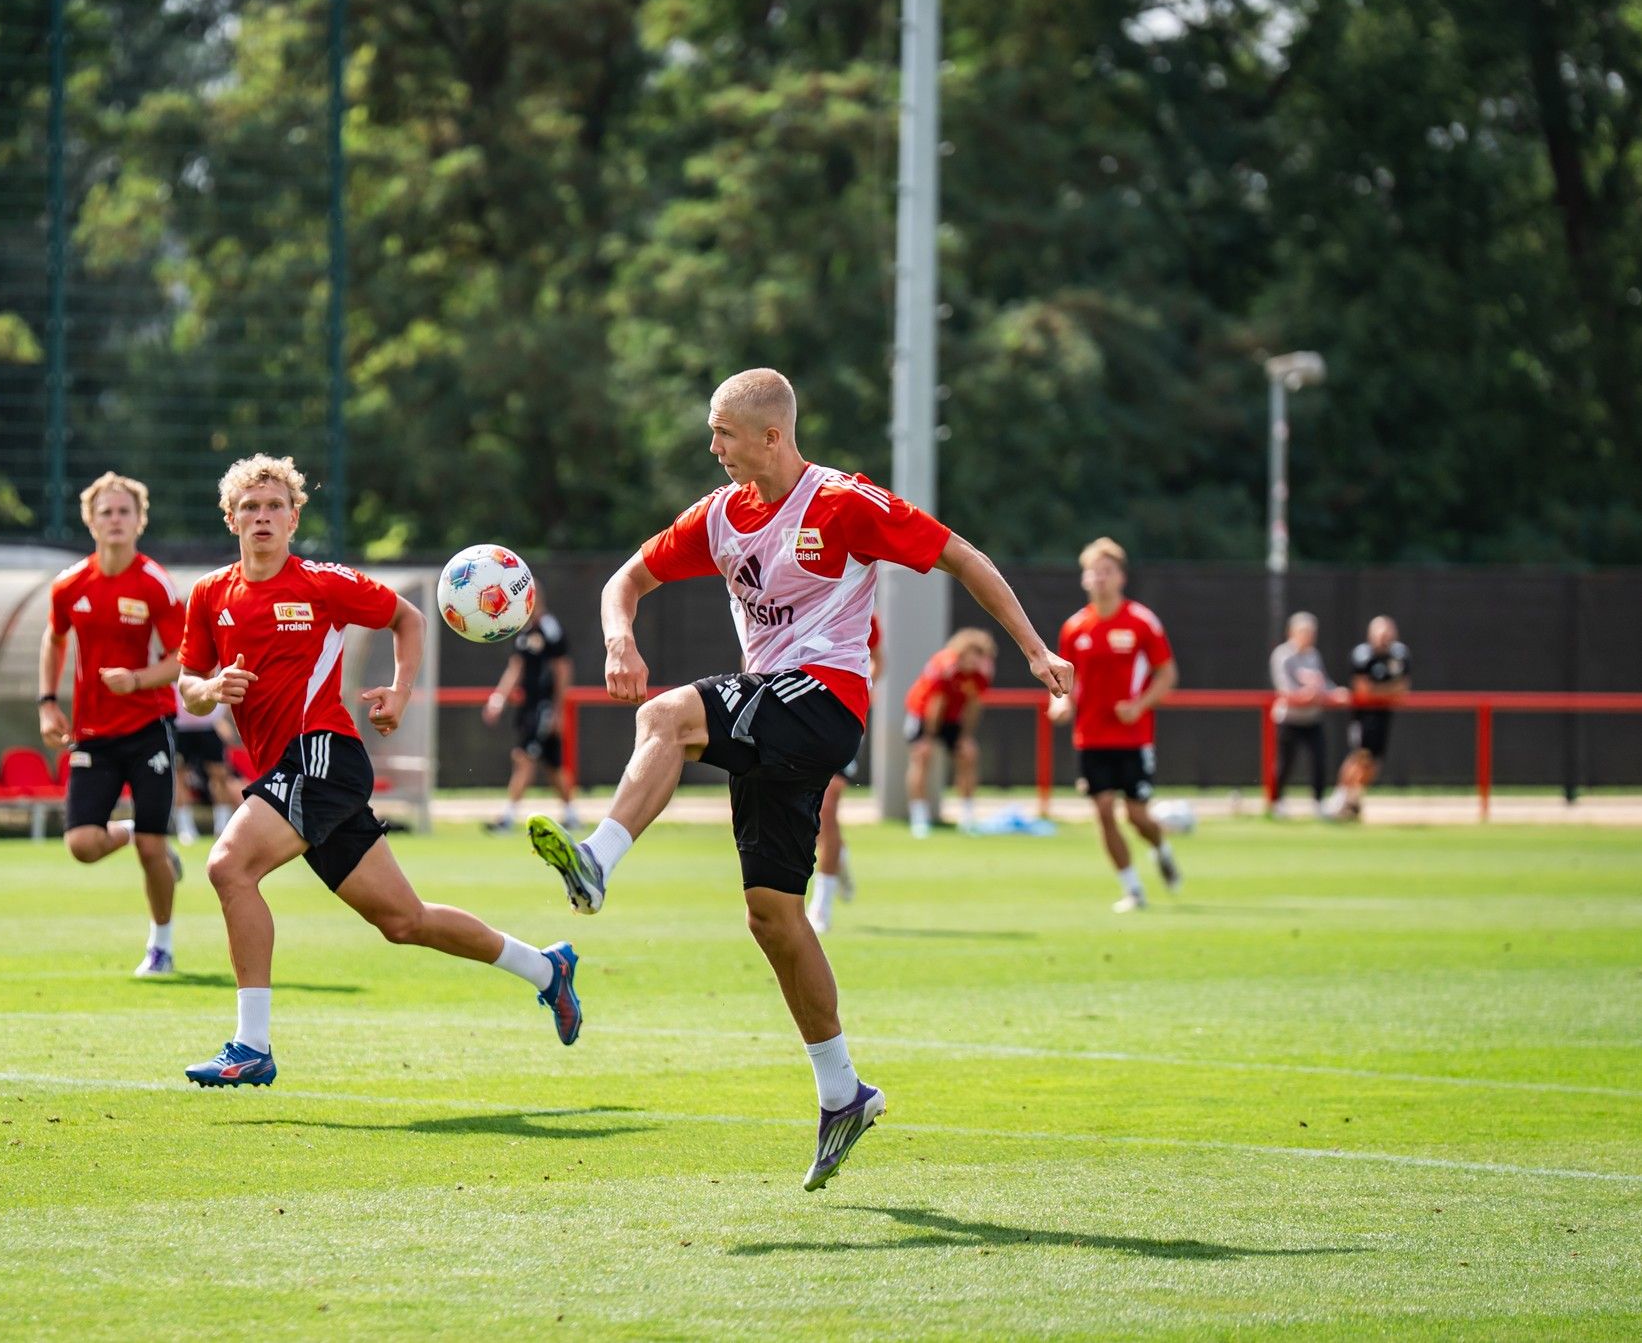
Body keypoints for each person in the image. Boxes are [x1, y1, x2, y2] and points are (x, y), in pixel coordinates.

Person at [520, 369, 1071, 1190]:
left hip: (824, 700)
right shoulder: (719, 515)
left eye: (724, 433)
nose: (712, 447)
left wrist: (1032, 647)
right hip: (775, 712)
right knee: (772, 915)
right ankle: (843, 1091)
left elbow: (960, 555)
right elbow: (623, 580)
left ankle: (597, 858)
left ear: (773, 436)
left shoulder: (843, 502)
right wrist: (616, 638)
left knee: (666, 717)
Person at [176, 454, 582, 1088]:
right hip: (295, 769)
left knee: (229, 866)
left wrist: (398, 689)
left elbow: (408, 618)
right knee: (404, 922)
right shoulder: (209, 595)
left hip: (322, 755)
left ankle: (250, 1045)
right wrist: (211, 688)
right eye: (249, 507)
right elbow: (187, 687)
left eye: (274, 506)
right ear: (230, 519)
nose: (262, 516)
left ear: (293, 516)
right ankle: (546, 968)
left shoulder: (321, 583)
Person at [38, 472, 187, 979]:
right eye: (107, 512)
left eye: (125, 511)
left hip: (149, 725)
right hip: (94, 734)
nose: (116, 519)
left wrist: (139, 679)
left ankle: (160, 946)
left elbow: (182, 657)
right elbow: (54, 639)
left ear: (140, 520)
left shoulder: (154, 583)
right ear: (91, 521)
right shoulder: (70, 585)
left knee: (151, 849)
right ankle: (134, 832)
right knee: (82, 845)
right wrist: (46, 703)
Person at [1048, 537, 1182, 913]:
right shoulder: (1075, 628)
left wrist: (1139, 705)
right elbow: (1062, 682)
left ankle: (1161, 848)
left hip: (1133, 736)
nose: (1099, 578)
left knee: (1137, 815)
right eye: (1093, 572)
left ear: (1121, 577)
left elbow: (1167, 673)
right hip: (1090, 737)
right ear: (1084, 579)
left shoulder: (1141, 621)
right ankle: (1133, 890)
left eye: (1107, 571)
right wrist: (1059, 703)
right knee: (1104, 811)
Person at [806, 616, 882, 935]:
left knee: (827, 806)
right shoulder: (780, 591)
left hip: (840, 714)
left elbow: (878, 658)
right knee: (803, 811)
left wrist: (864, 689)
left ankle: (820, 906)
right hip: (793, 712)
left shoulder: (855, 602)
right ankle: (839, 854)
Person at [481, 597, 579, 833]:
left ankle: (507, 818)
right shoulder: (522, 630)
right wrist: (498, 699)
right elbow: (516, 667)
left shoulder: (549, 628)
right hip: (529, 707)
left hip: (543, 707)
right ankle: (571, 816)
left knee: (523, 757)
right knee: (553, 766)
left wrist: (557, 710)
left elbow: (563, 669)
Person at [903, 627, 997, 837]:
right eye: (974, 655)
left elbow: (973, 705)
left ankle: (967, 817)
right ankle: (919, 819)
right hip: (923, 713)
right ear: (962, 652)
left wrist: (965, 736)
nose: (977, 661)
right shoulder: (945, 667)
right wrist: (927, 737)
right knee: (922, 757)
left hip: (952, 717)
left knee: (968, 755)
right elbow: (935, 705)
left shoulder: (981, 672)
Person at [1328, 615, 1412, 820]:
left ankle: (1354, 799)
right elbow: (1363, 690)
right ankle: (1340, 798)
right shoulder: (1363, 655)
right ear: (1371, 634)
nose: (1384, 638)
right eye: (1380, 634)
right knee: (1360, 756)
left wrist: (1380, 691)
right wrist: (1389, 691)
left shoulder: (1399, 654)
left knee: (1374, 763)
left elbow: (1404, 688)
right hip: (1364, 716)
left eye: (1388, 633)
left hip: (1384, 716)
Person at [1269, 611, 1345, 817]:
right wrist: (1310, 695)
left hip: (1312, 718)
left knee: (1319, 759)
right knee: (1285, 763)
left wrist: (1334, 692)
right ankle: (1277, 802)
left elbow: (1324, 684)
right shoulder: (1283, 655)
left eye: (1312, 632)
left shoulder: (1313, 655)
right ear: (1292, 632)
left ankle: (1319, 803)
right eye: (1305, 632)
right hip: (1289, 719)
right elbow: (1285, 691)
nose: (1310, 636)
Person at [171, 695, 243, 844]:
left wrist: (224, 719)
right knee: (179, 776)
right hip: (180, 726)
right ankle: (185, 828)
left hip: (210, 726)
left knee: (219, 775)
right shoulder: (170, 671)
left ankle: (222, 827)